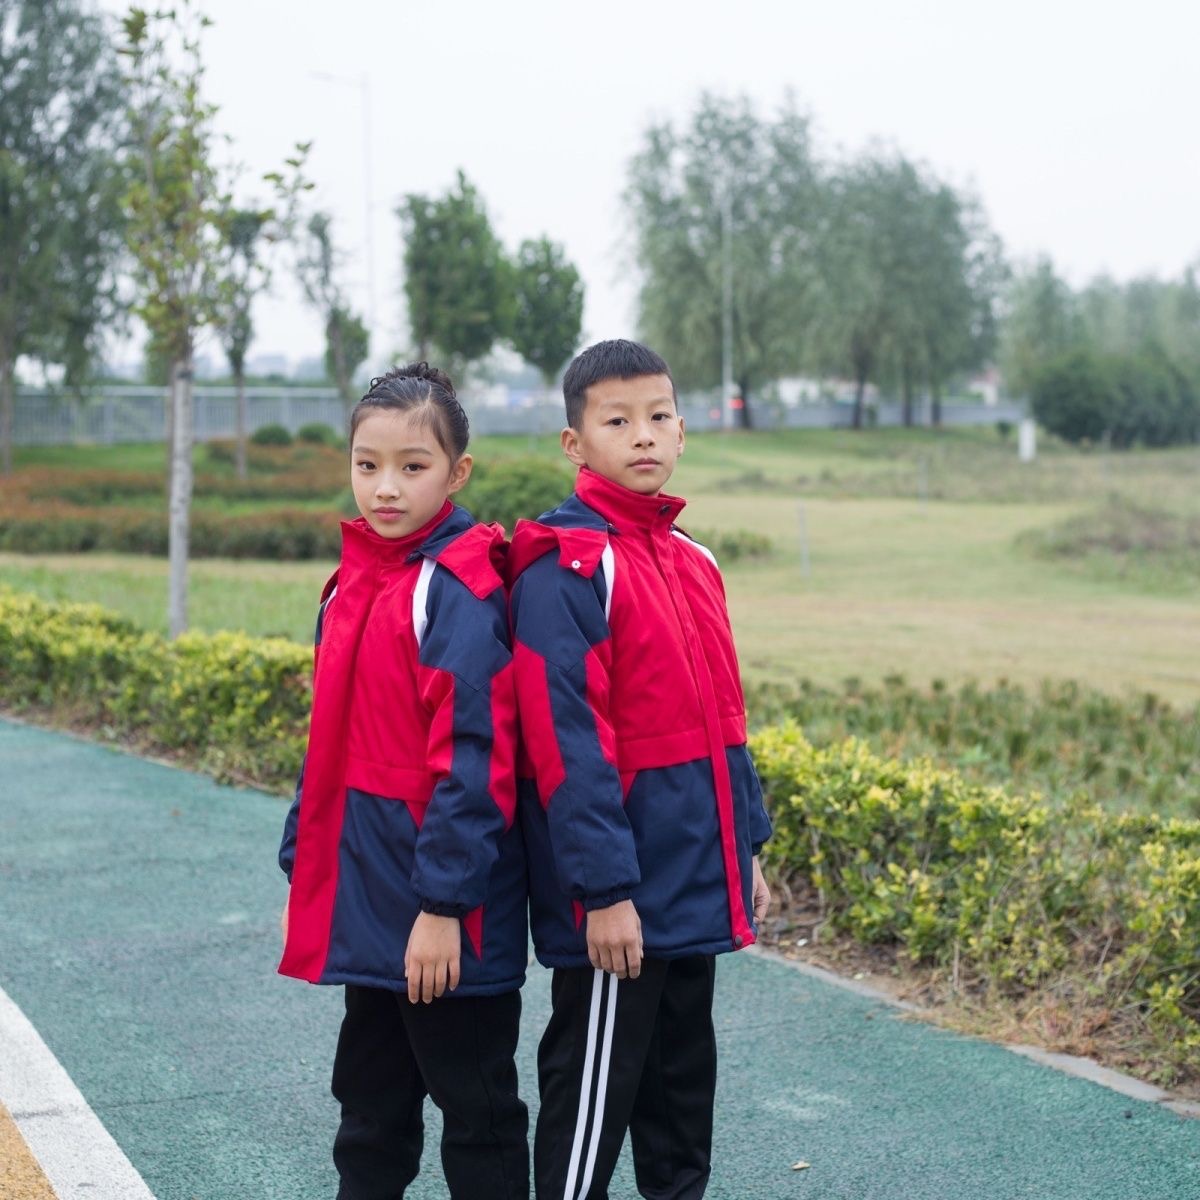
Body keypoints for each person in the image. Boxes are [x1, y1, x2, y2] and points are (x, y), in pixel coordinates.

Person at [508, 339, 772, 1200]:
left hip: (698, 872)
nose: (643, 435)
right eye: (617, 420)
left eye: (658, 416)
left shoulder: (693, 560)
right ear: (576, 444)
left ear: (684, 430)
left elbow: (723, 723)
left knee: (679, 1090)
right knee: (593, 1091)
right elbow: (566, 744)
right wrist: (604, 891)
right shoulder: (569, 563)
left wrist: (750, 848)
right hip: (621, 893)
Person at [278, 363, 528, 1200]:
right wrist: (303, 854)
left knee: (478, 1115)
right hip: (371, 898)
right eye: (367, 464)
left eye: (412, 467)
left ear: (456, 473)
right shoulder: (352, 578)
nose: (386, 488)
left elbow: (476, 761)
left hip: (444, 917)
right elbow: (334, 742)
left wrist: (442, 909)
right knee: (371, 1112)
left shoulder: (456, 588)